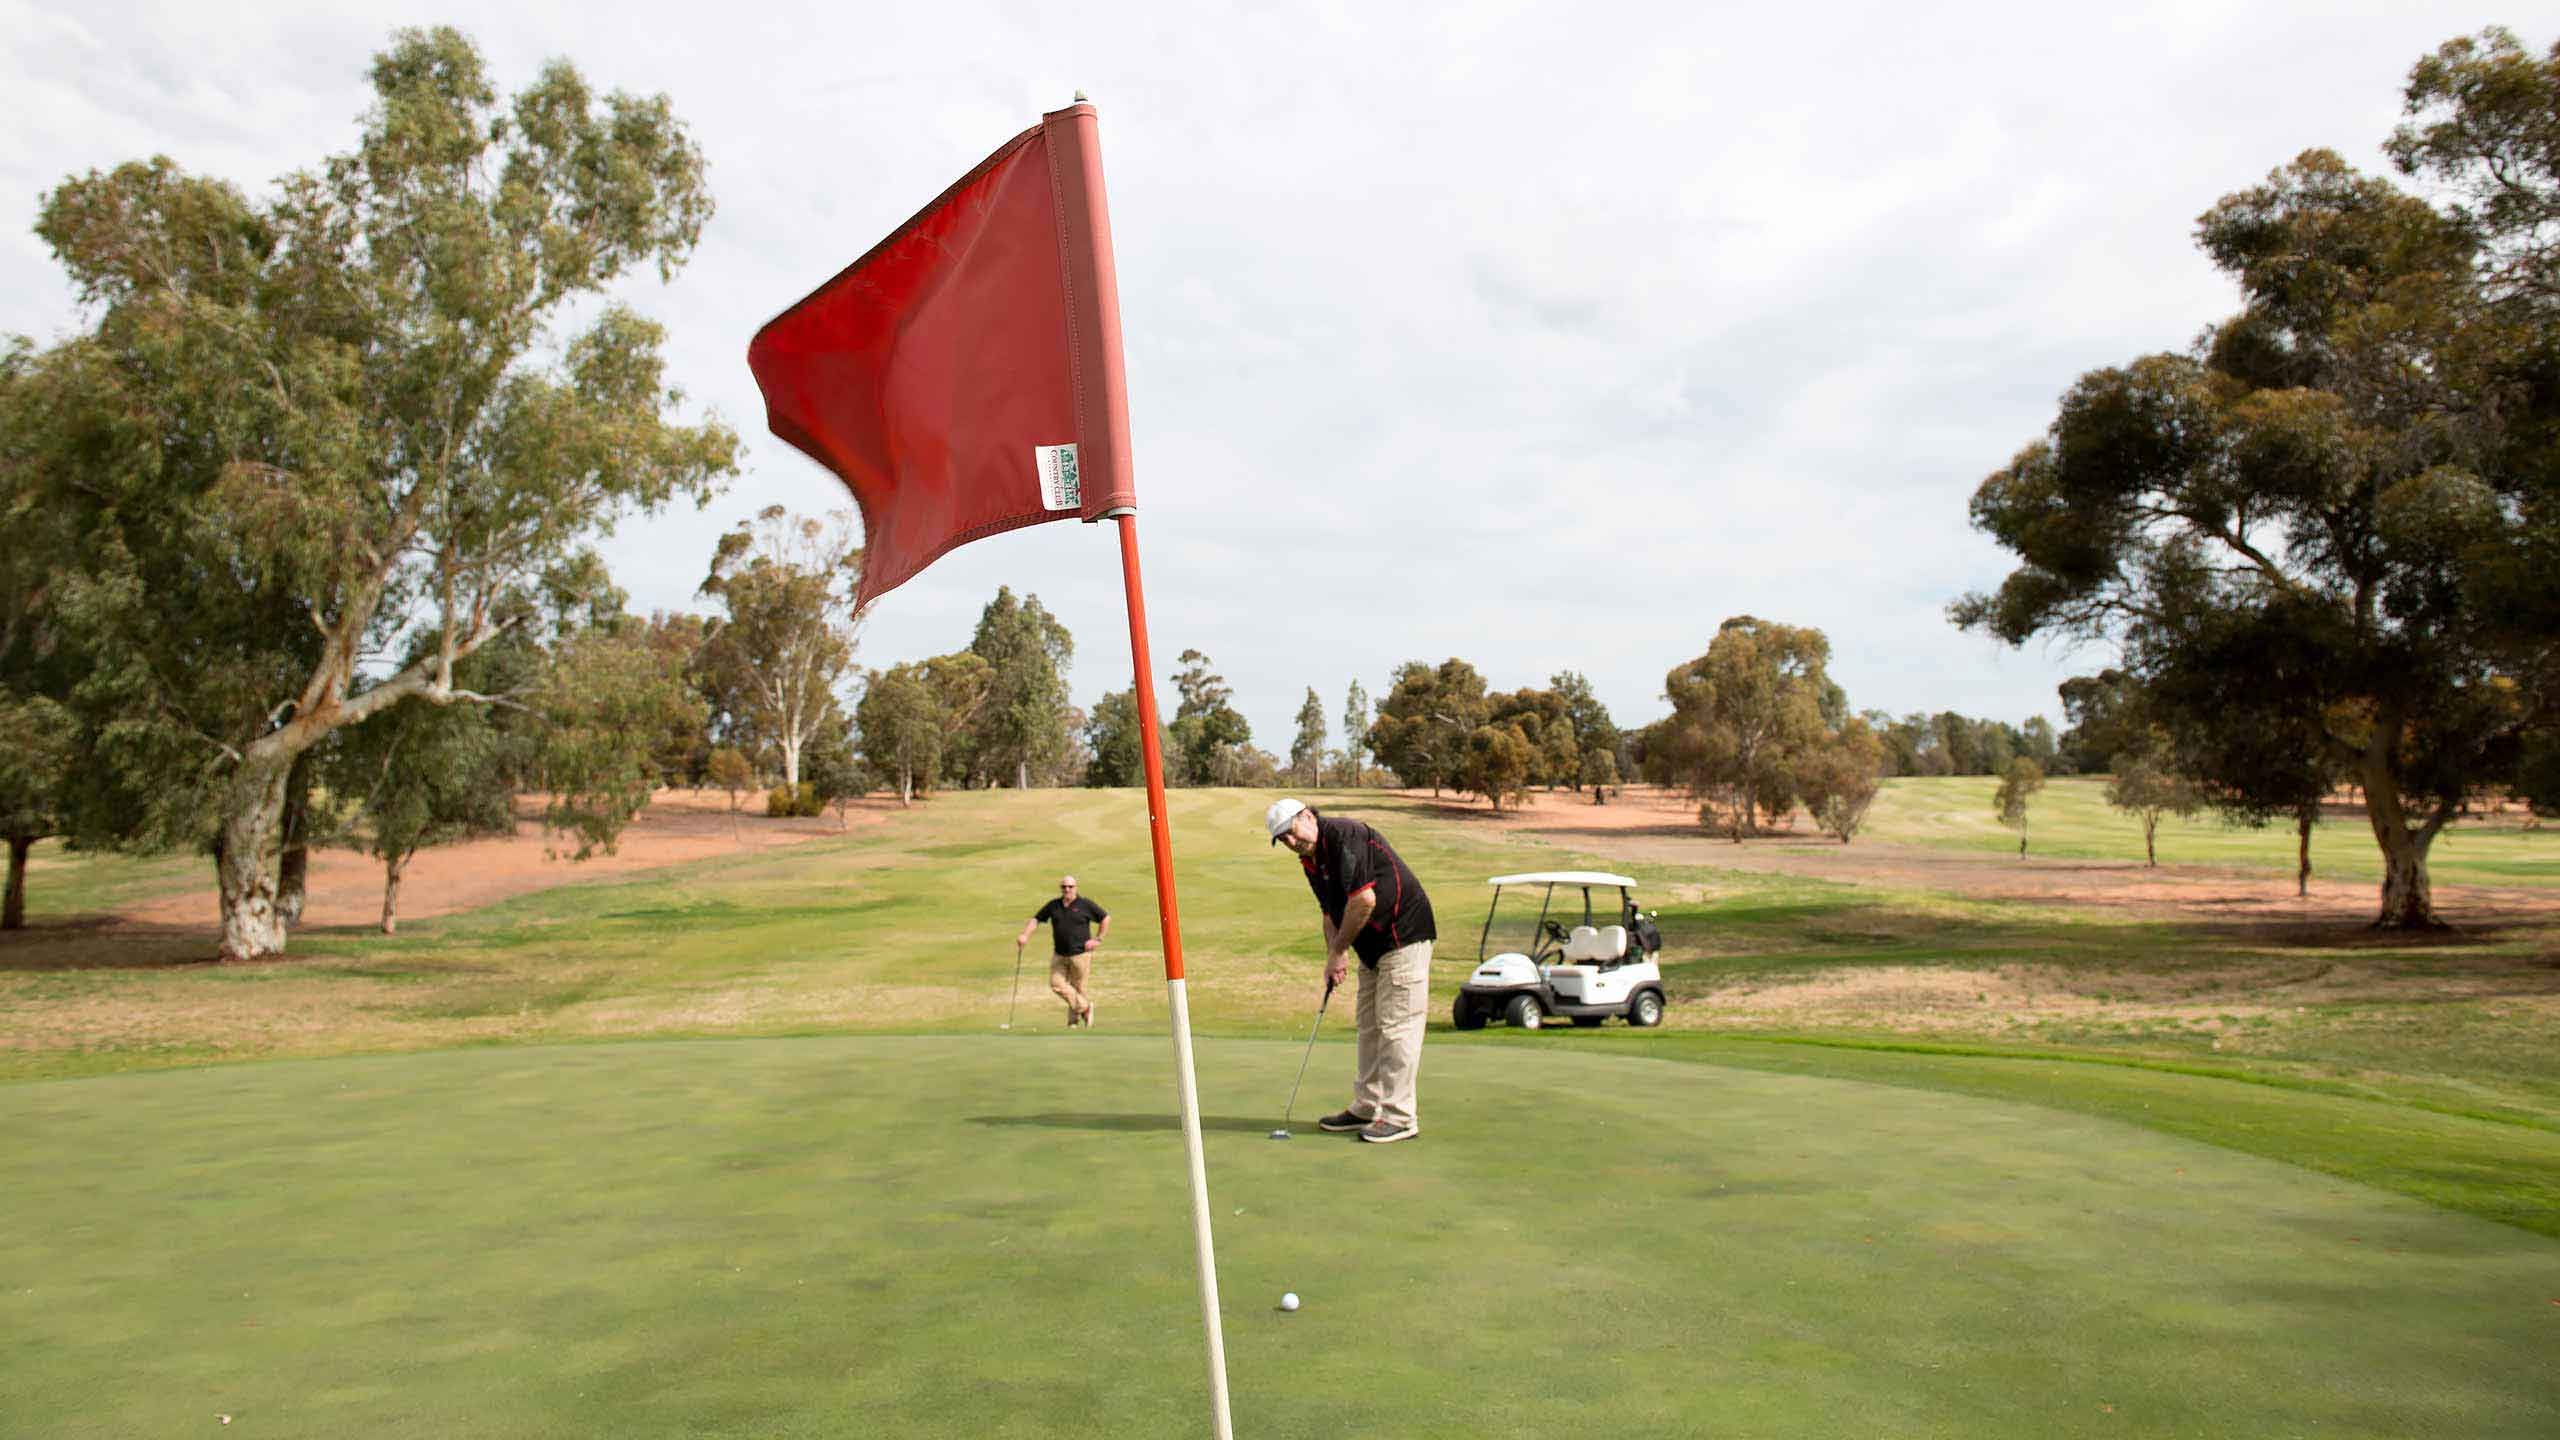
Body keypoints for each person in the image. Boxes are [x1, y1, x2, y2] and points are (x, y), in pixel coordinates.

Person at [1265, 798, 1435, 1143]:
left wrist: (1340, 950)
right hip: (1372, 945)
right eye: (1282, 839)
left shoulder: (1346, 835)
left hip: (1404, 933)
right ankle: (1367, 1106)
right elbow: (1330, 913)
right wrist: (1333, 955)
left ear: (1308, 816)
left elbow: (1364, 900)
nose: (1291, 842)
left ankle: (1399, 1116)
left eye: (1292, 832)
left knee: (1397, 1025)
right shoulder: (1310, 861)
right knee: (1369, 1024)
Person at [1017, 875, 1108, 1027]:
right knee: (1056, 984)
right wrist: (1024, 935)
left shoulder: (1084, 904)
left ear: (1076, 888)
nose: (1067, 890)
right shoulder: (1054, 905)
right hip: (1059, 954)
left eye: (1070, 887)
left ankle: (1073, 1023)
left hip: (1080, 954)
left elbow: (1105, 918)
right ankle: (1085, 1008)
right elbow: (1036, 919)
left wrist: (1098, 939)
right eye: (1064, 887)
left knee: (1078, 988)